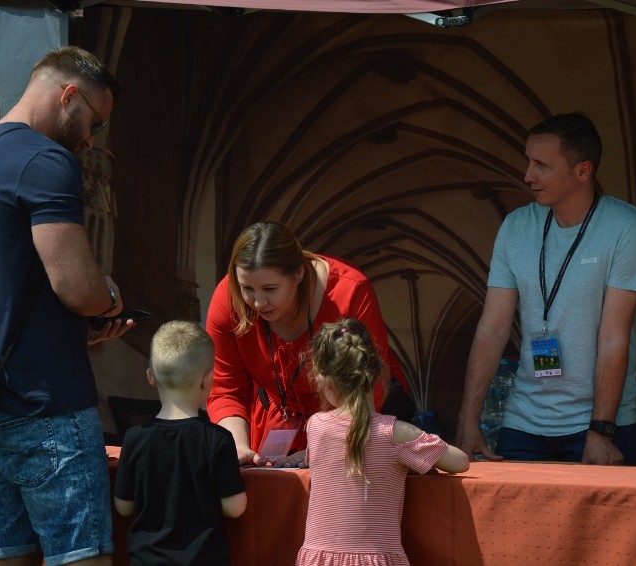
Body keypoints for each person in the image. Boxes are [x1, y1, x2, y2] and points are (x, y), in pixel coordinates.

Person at [0, 46, 132, 565]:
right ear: (68, 95)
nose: (91, 140)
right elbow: (77, 288)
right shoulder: (46, 159)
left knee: (7, 557)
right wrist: (111, 298)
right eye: (94, 122)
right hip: (46, 400)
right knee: (82, 559)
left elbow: (1, 281)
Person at [456, 112, 636, 466]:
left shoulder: (626, 227)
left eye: (542, 165)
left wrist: (600, 431)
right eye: (529, 162)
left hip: (599, 423)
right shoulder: (516, 227)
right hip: (524, 420)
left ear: (582, 171)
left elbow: (614, 336)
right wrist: (467, 421)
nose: (527, 175)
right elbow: (493, 328)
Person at [206, 220, 410, 467]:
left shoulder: (350, 291)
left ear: (299, 273)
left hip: (353, 429)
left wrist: (321, 446)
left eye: (270, 288)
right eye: (247, 288)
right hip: (274, 423)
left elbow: (369, 388)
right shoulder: (228, 298)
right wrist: (237, 446)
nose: (258, 302)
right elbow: (226, 389)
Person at [296, 318, 469, 566]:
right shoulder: (395, 433)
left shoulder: (315, 426)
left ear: (323, 379)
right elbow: (461, 461)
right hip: (376, 560)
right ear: (376, 373)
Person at [114, 321, 247, 565]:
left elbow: (123, 507)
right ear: (208, 379)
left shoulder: (134, 439)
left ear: (150, 377)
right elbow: (235, 507)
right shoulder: (218, 439)